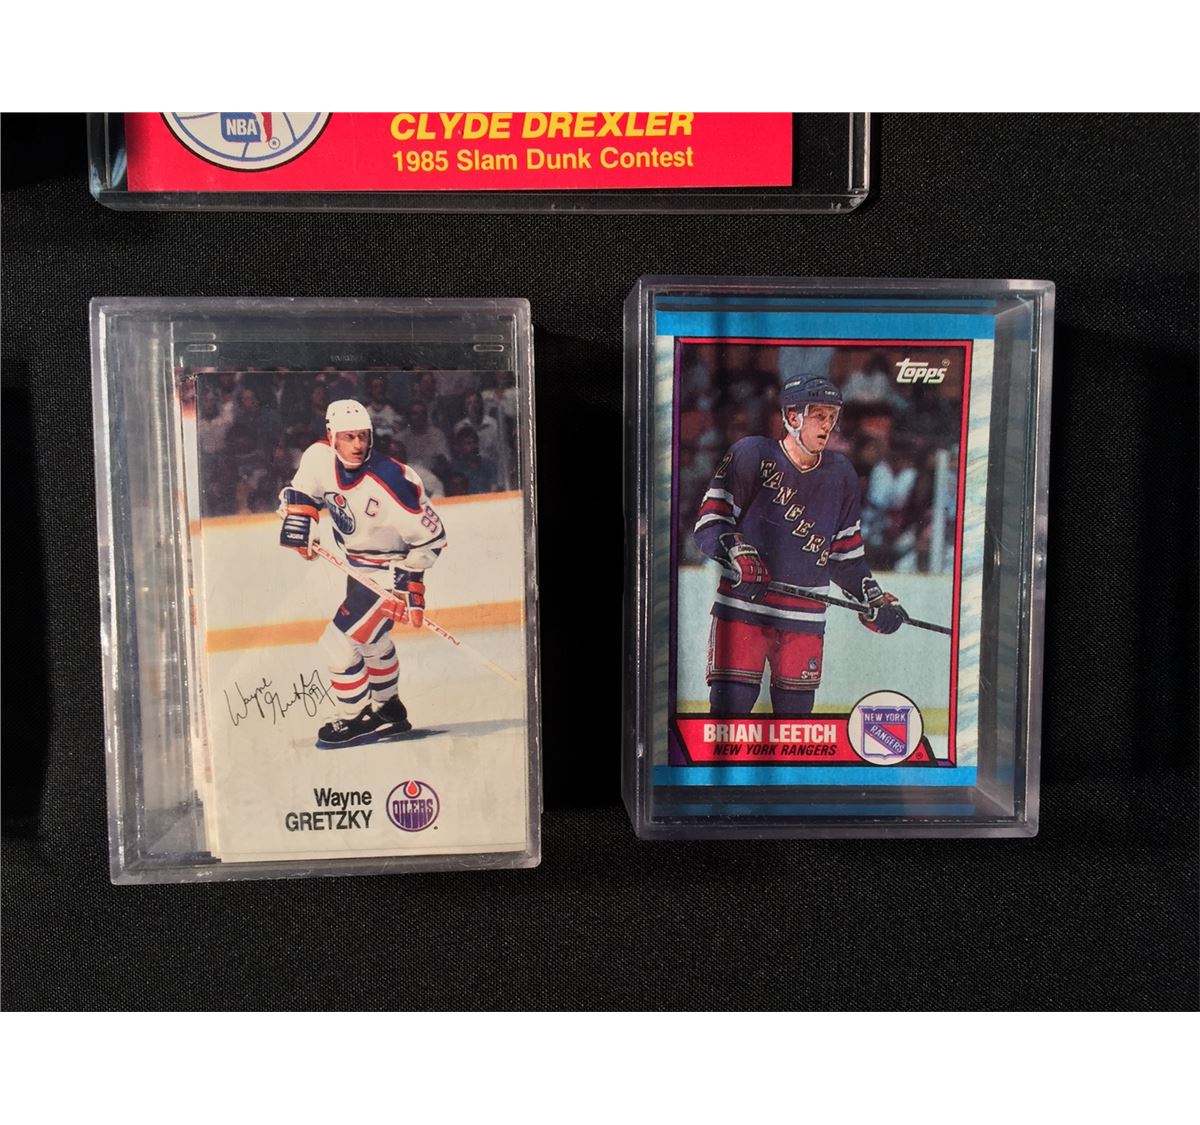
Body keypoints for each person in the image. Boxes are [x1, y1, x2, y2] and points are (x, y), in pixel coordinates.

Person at [693, 376, 905, 717]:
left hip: (804, 618)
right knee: (728, 717)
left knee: (796, 728)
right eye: (819, 415)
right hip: (743, 609)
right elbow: (710, 523)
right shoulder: (751, 454)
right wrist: (736, 551)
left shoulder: (841, 473)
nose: (828, 425)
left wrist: (873, 597)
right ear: (793, 417)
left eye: (832, 416)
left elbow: (845, 557)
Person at [279, 400, 447, 747]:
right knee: (372, 642)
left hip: (387, 571)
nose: (357, 445)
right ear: (331, 436)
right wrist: (302, 521)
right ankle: (389, 710)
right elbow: (302, 494)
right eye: (348, 437)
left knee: (337, 643)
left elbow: (432, 539)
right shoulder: (317, 457)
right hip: (356, 567)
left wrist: (409, 579)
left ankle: (353, 717)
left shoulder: (391, 480)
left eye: (363, 436)